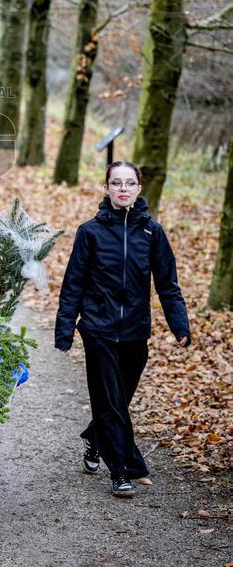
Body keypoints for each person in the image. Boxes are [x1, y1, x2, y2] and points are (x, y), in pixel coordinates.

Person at [55, 160, 191, 499]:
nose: (123, 189)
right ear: (106, 188)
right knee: (111, 401)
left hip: (135, 331)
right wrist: (65, 328)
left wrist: (179, 324)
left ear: (139, 189)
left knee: (117, 401)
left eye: (130, 183)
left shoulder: (152, 232)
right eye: (116, 183)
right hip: (98, 329)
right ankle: (122, 471)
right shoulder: (91, 231)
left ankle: (95, 438)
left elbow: (167, 283)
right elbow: (73, 283)